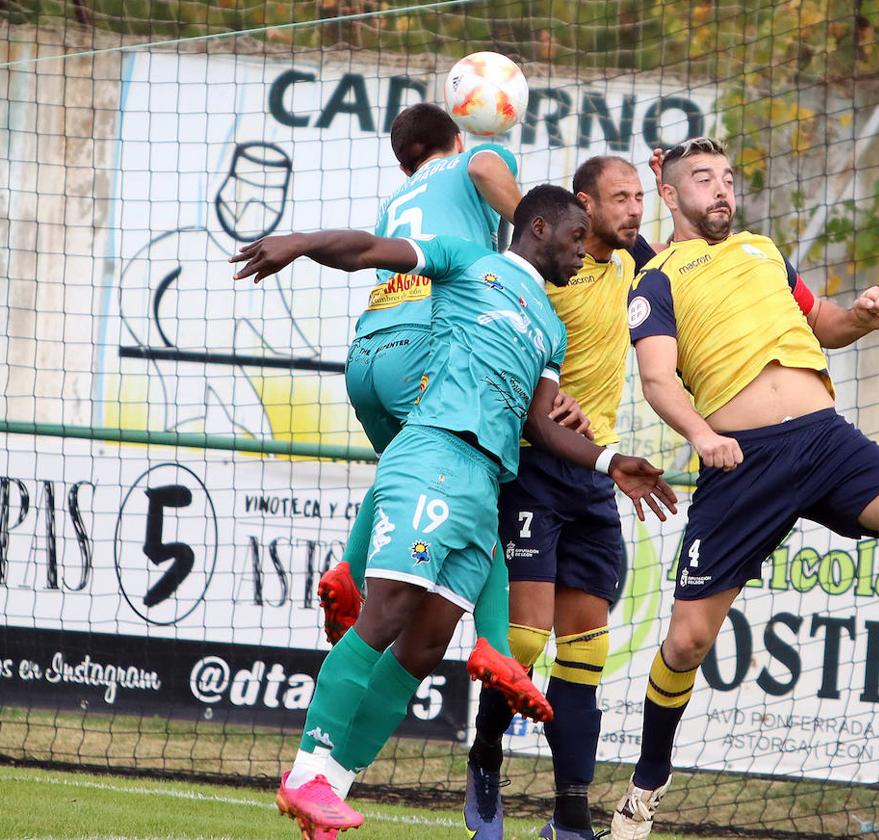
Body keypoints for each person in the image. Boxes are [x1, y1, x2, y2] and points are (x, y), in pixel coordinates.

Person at [232, 185, 678, 839]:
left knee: (425, 646)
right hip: (433, 452)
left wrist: (611, 462)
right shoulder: (470, 261)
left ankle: (332, 789)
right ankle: (306, 770)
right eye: (577, 237)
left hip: (484, 486)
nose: (585, 252)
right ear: (540, 227)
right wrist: (299, 244)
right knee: (385, 615)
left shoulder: (550, 330)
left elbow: (544, 428)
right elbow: (367, 250)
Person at [608, 136, 879, 839]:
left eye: (727, 179)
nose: (721, 190)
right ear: (672, 194)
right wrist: (701, 436)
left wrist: (860, 318)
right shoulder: (658, 276)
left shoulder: (764, 252)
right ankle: (645, 790)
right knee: (686, 643)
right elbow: (657, 379)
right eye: (703, 180)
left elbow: (823, 323)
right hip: (742, 460)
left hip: (824, 438)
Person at [316, 102, 577, 720]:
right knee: (473, 471)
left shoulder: (400, 197)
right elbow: (490, 171)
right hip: (421, 348)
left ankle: (350, 571)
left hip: (367, 355)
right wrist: (533, 222)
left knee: (411, 462)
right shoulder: (475, 161)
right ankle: (491, 641)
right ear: (455, 138)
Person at [463, 156, 657, 840]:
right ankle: (485, 755)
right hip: (536, 466)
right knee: (523, 637)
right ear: (583, 205)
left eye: (641, 198)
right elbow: (488, 172)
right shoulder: (547, 277)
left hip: (596, 479)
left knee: (586, 655)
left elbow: (690, 256)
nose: (635, 211)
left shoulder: (634, 265)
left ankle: (569, 817)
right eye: (621, 198)